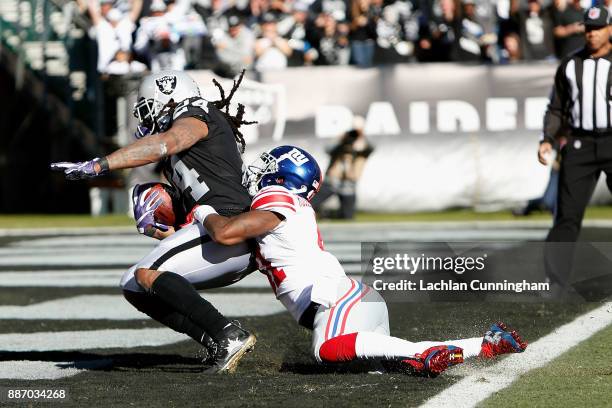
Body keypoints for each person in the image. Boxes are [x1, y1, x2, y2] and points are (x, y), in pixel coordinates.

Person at [190, 145, 527, 376]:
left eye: (267, 168)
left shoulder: (274, 197)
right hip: (351, 301)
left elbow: (225, 233)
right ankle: (485, 343)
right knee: (391, 364)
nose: (257, 172)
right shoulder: (286, 203)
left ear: (281, 178)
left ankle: (420, 354)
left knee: (326, 350)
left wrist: (202, 210)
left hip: (335, 299)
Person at [51, 70, 257, 373]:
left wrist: (100, 165)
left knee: (149, 273)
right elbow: (196, 208)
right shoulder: (183, 160)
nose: (145, 116)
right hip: (220, 231)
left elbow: (166, 142)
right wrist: (166, 229)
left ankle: (227, 333)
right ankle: (215, 338)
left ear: (167, 98)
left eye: (147, 105)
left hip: (233, 226)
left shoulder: (195, 113)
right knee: (134, 284)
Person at [539, 6, 612, 295]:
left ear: (609, 29)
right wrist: (548, 138)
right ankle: (555, 281)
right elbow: (557, 108)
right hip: (580, 144)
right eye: (588, 28)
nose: (591, 34)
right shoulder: (570, 65)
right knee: (566, 216)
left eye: (597, 28)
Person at [311, 117, 373, 219]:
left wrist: (361, 138)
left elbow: (371, 148)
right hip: (332, 181)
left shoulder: (364, 145)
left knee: (348, 216)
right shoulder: (340, 143)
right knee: (311, 204)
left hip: (349, 184)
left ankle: (327, 214)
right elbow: (327, 149)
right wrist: (341, 140)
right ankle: (320, 213)